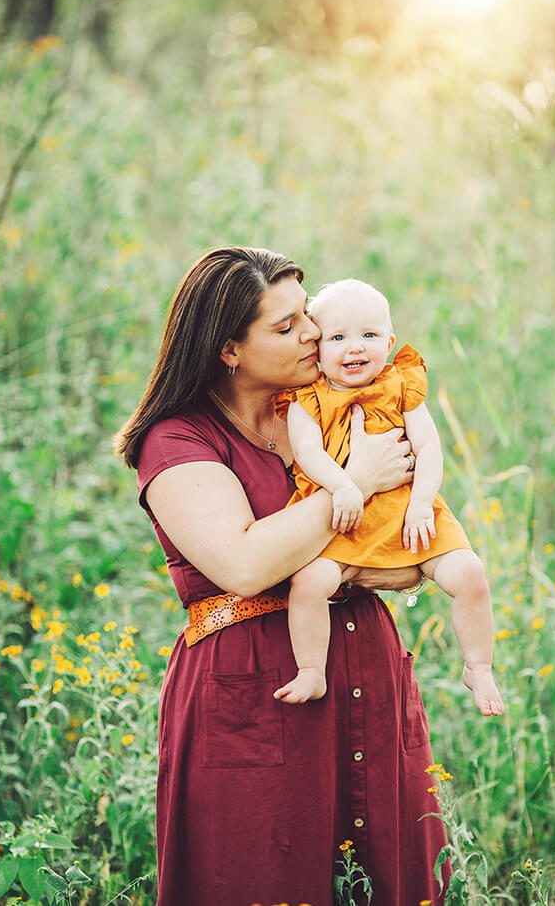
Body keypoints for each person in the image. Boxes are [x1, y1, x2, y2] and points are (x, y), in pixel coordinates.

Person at [116, 247, 449, 904]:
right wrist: (353, 488)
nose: (315, 335)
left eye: (308, 316)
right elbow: (243, 564)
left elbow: (416, 548)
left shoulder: (337, 404)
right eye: (287, 326)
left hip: (368, 674)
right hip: (254, 693)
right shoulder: (178, 441)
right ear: (228, 349)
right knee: (260, 875)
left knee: (388, 874)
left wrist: (356, 559)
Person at [271, 279, 506, 716]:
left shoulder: (401, 387)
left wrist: (422, 501)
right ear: (317, 350)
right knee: (308, 583)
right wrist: (343, 485)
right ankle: (311, 669)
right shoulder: (309, 399)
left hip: (407, 513)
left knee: (469, 572)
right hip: (345, 519)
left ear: (390, 341)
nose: (354, 348)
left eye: (369, 335)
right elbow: (307, 452)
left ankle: (479, 664)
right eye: (338, 338)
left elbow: (429, 447)